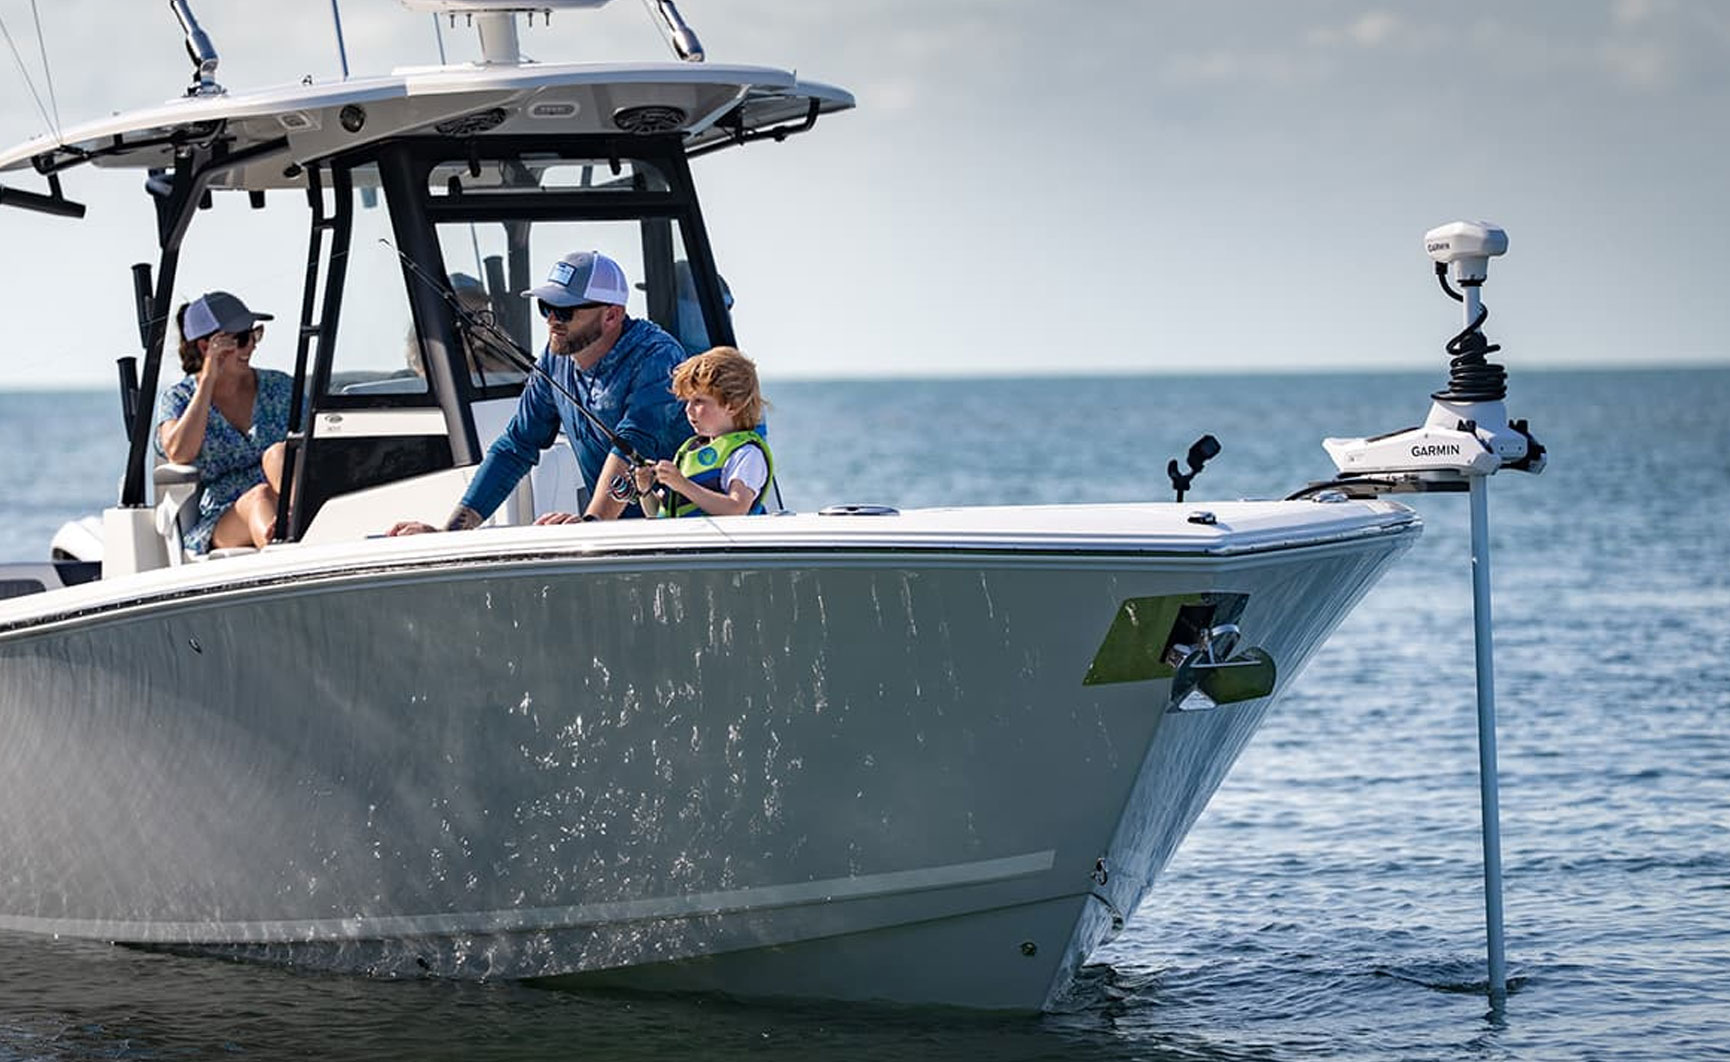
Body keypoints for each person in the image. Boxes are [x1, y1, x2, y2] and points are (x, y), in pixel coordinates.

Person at [389, 250, 690, 534]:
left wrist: (591, 523)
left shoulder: (657, 356)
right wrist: (450, 532)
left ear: (611, 315)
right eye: (546, 307)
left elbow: (632, 447)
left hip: (688, 530)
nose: (551, 320)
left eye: (564, 311)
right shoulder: (555, 358)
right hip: (620, 534)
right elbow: (517, 445)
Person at [154, 291, 292, 553]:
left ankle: (305, 527)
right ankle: (284, 553)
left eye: (254, 335)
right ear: (206, 347)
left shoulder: (280, 387)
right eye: (240, 339)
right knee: (260, 497)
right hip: (226, 515)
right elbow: (179, 453)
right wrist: (207, 381)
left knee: (278, 454)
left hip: (288, 500)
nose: (251, 346)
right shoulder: (178, 399)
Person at [634, 346, 773, 518]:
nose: (688, 409)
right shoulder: (688, 451)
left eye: (699, 401)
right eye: (688, 401)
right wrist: (646, 490)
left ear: (733, 405)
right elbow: (659, 515)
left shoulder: (746, 454)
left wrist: (682, 484)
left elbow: (737, 508)